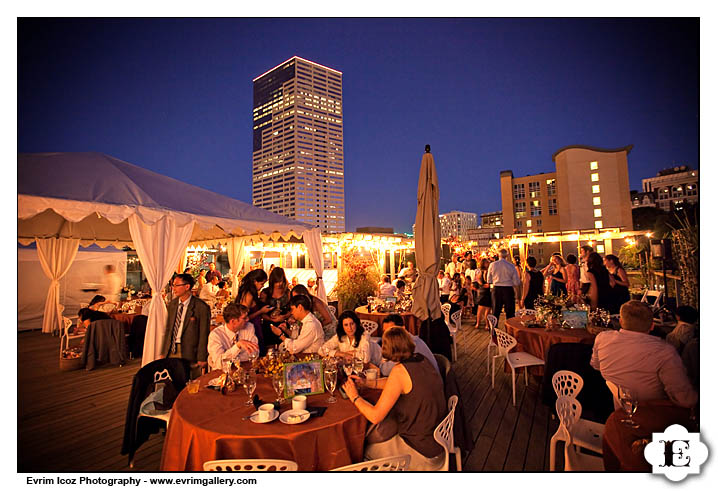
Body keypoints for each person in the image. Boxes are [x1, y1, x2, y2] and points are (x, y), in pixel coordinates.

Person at [342, 327, 447, 471]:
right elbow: (396, 382)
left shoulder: (399, 371)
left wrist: (354, 396)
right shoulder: (421, 359)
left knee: (363, 449)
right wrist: (368, 383)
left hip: (421, 452)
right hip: (438, 442)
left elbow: (375, 416)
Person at [590, 300, 697, 408]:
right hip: (657, 414)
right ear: (652, 326)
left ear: (621, 322)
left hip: (620, 410)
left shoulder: (602, 338)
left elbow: (596, 365)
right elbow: (686, 400)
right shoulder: (665, 352)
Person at [162, 273, 211, 378]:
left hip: (190, 350)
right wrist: (163, 351)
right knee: (173, 381)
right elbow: (168, 329)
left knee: (191, 382)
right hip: (172, 349)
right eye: (172, 285)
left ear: (187, 287)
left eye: (176, 285)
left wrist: (202, 357)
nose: (173, 288)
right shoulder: (172, 304)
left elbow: (204, 333)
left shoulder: (201, 307)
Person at [207, 303, 259, 371]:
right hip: (221, 375)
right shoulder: (215, 335)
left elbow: (255, 353)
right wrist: (237, 346)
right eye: (244, 318)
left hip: (244, 370)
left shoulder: (249, 327)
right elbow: (219, 364)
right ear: (233, 321)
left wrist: (230, 359)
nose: (248, 319)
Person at [235, 269, 271, 354]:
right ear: (255, 281)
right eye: (261, 284)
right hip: (251, 326)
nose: (262, 286)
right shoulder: (248, 294)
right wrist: (261, 311)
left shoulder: (251, 293)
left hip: (255, 325)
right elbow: (244, 317)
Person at [260, 267, 293, 346]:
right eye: (276, 282)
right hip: (268, 326)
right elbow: (260, 312)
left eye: (280, 281)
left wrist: (285, 316)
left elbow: (292, 310)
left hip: (283, 326)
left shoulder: (287, 293)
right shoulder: (265, 293)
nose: (279, 284)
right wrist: (272, 319)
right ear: (272, 281)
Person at [486, 249, 520, 319]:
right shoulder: (511, 266)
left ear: (498, 255)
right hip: (508, 289)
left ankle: (493, 328)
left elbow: (488, 279)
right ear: (507, 256)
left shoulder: (492, 265)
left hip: (496, 289)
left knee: (495, 311)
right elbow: (516, 282)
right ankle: (509, 328)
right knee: (510, 312)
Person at [473, 258, 492, 329]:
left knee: (480, 308)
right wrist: (484, 284)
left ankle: (478, 323)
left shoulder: (480, 271)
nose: (489, 263)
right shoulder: (486, 271)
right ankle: (486, 325)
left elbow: (477, 278)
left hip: (481, 291)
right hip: (486, 291)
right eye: (487, 262)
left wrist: (481, 285)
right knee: (487, 309)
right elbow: (485, 280)